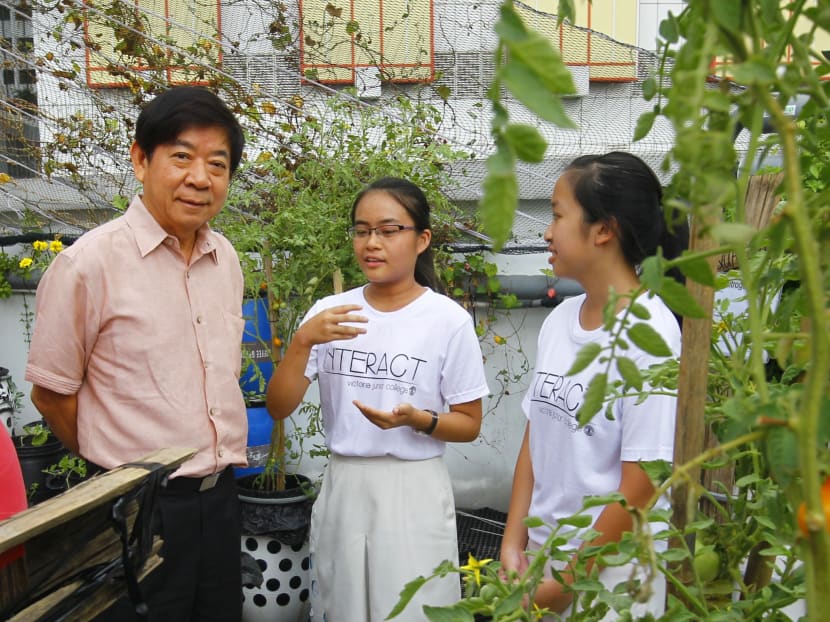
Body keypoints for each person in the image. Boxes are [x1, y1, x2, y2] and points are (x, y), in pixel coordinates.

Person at [25, 86, 248, 621]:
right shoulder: (88, 265)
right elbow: (53, 393)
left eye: (217, 163)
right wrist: (117, 469)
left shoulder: (227, 259)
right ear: (140, 160)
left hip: (219, 502)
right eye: (181, 157)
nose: (200, 177)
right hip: (134, 510)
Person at [266, 176, 489, 621]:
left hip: (413, 487)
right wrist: (303, 341)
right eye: (362, 230)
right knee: (343, 607)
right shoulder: (329, 316)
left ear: (421, 239)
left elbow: (469, 423)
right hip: (345, 484)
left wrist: (418, 420)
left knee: (413, 609)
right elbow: (278, 407)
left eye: (389, 230)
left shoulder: (446, 320)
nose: (372, 243)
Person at [500, 152, 687, 618]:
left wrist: (568, 582)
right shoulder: (562, 318)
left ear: (604, 229)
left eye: (558, 215)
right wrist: (513, 539)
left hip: (612, 577)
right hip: (542, 561)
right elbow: (536, 435)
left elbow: (640, 485)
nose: (546, 231)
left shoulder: (652, 335)